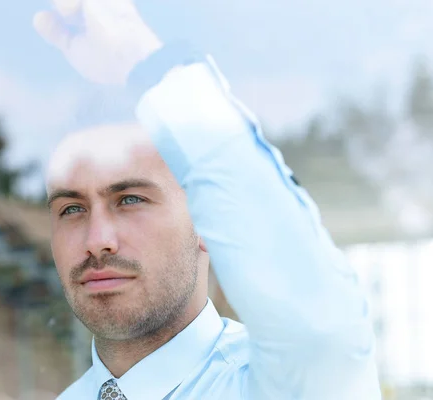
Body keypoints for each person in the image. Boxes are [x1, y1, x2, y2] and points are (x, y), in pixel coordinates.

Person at [34, 0, 382, 399]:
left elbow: (319, 325)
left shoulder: (285, 383)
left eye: (130, 199)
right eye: (72, 208)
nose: (97, 239)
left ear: (208, 217)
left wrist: (146, 64)